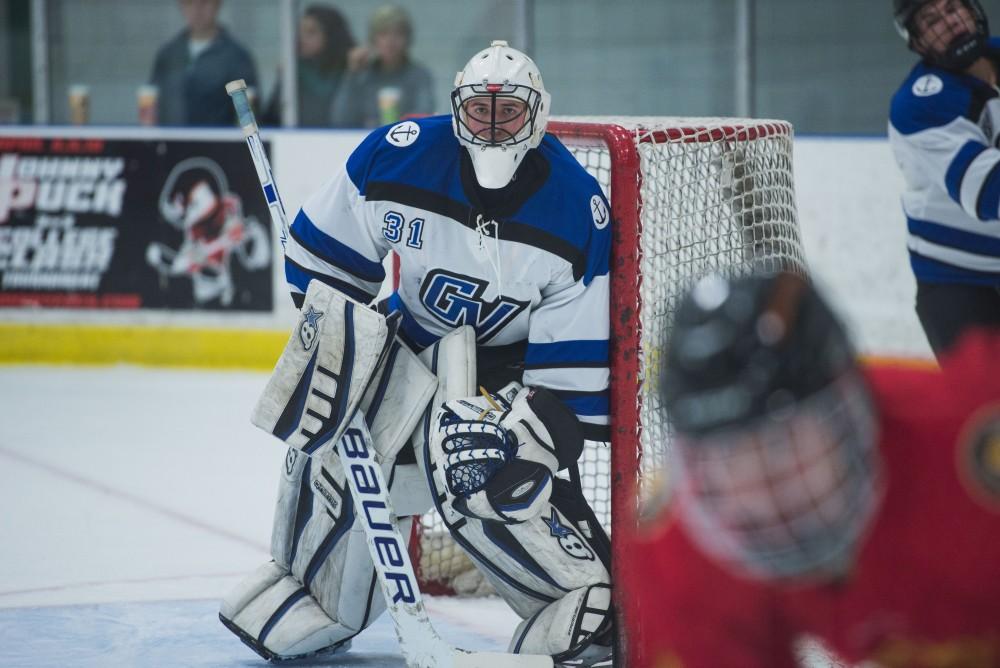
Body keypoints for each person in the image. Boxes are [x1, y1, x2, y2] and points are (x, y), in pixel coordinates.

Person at [220, 40, 615, 666]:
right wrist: (335, 326)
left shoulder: (577, 210)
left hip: (508, 373)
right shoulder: (399, 156)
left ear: (537, 117)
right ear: (455, 107)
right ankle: (313, 591)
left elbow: (570, 386)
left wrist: (523, 442)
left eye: (507, 113)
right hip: (407, 341)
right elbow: (326, 265)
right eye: (477, 111)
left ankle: (573, 597)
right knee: (328, 426)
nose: (490, 127)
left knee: (480, 463)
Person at [622, 271, 1000, 667]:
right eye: (731, 459)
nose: (764, 485)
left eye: (782, 441)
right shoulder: (680, 556)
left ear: (851, 413)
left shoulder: (966, 444)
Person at [888, 0, 1000, 359]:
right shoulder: (921, 104)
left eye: (953, 9)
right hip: (958, 282)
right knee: (988, 411)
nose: (949, 23)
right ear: (918, 43)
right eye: (932, 21)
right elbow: (990, 194)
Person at [149, 0, 259, 127]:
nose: (197, 10)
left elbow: (247, 115)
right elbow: (151, 103)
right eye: (190, 3)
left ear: (217, 5)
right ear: (181, 6)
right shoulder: (168, 55)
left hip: (218, 143)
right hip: (170, 143)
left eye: (204, 2)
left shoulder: (237, 58)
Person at [329, 5, 434, 128]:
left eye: (398, 34)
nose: (391, 41)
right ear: (373, 39)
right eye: (383, 34)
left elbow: (424, 116)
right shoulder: (362, 75)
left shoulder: (419, 76)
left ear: (408, 39)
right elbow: (340, 119)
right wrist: (352, 74)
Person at [261, 4, 356, 127]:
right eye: (300, 31)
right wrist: (283, 81)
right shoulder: (294, 71)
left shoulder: (348, 69)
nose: (302, 38)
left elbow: (348, 115)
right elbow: (272, 119)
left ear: (330, 35)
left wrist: (353, 74)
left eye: (311, 32)